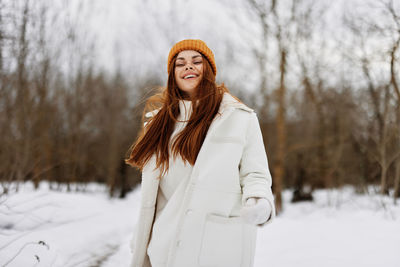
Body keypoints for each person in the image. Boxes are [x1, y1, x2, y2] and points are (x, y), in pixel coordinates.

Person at [125, 39, 275, 267]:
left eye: (197, 61)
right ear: (172, 74)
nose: (188, 67)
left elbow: (255, 173)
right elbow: (153, 195)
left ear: (209, 71)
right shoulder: (157, 125)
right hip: (165, 247)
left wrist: (258, 199)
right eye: (180, 63)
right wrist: (142, 236)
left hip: (217, 246)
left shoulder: (240, 118)